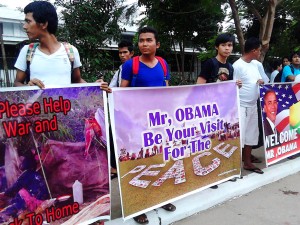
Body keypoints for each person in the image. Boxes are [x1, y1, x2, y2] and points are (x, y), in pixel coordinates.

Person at [109, 26, 175, 224]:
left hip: (158, 124)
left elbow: (167, 90)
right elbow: (121, 94)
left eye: (148, 40)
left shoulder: (163, 64)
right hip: (135, 125)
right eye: (141, 41)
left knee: (159, 162)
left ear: (157, 44)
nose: (144, 44)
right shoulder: (131, 65)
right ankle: (136, 206)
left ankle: (159, 198)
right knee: (137, 166)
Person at [197, 33, 241, 186]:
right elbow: (199, 85)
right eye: (223, 45)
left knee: (222, 140)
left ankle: (222, 172)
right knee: (208, 142)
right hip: (208, 110)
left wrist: (235, 86)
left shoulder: (230, 67)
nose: (227, 48)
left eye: (229, 45)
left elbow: (227, 90)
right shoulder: (210, 63)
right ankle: (209, 175)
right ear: (217, 47)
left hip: (223, 110)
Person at [14, 1, 86, 88]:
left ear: (44, 24)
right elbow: (17, 83)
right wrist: (29, 87)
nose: (24, 26)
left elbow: (77, 81)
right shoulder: (27, 51)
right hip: (37, 102)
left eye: (28, 21)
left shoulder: (70, 51)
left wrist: (97, 86)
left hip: (64, 102)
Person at [101, 40, 134, 179]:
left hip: (135, 109)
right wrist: (104, 87)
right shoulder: (120, 70)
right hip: (120, 109)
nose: (122, 55)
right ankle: (115, 167)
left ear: (131, 53)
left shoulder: (137, 67)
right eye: (120, 53)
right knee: (113, 134)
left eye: (125, 52)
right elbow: (113, 88)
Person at [233, 37, 264, 174]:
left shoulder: (256, 64)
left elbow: (263, 80)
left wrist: (261, 81)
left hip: (253, 105)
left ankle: (247, 162)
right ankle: (233, 166)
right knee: (240, 136)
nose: (260, 53)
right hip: (240, 106)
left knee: (252, 134)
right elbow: (231, 86)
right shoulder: (237, 65)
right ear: (253, 50)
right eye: (259, 50)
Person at [0, 155, 49, 222]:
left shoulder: (26, 174)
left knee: (5, 213)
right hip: (42, 201)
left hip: (33, 202)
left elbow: (15, 187)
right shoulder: (37, 174)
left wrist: (4, 194)